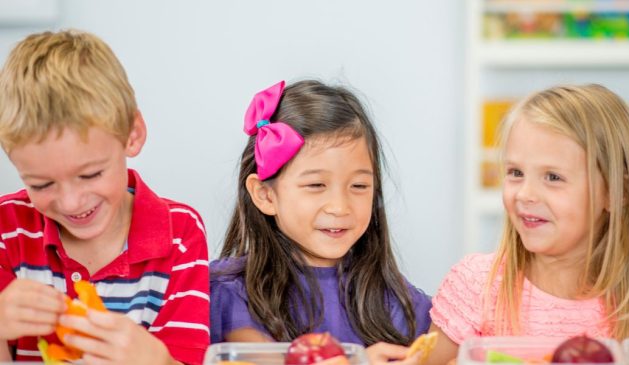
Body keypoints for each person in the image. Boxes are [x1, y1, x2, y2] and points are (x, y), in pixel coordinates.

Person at [425, 84, 629, 365]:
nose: (525, 194)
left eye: (553, 177)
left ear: (615, 192)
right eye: (515, 172)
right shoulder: (476, 285)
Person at [0, 30, 209, 365]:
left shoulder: (179, 233)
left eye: (90, 175)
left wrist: (159, 361)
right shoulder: (7, 228)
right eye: (41, 184)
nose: (70, 202)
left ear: (132, 135)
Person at [210, 80, 432, 364]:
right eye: (316, 185)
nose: (340, 207)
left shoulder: (400, 303)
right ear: (265, 195)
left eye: (359, 186)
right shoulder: (222, 296)